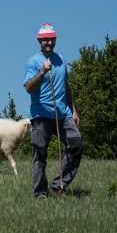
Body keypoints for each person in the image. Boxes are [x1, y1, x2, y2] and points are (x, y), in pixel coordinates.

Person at [23, 22, 83, 199]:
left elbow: (66, 86)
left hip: (63, 114)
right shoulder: (33, 62)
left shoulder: (61, 60)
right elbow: (28, 87)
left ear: (55, 40)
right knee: (40, 154)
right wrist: (42, 72)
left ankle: (57, 187)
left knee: (76, 145)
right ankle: (40, 193)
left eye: (51, 39)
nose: (48, 42)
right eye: (45, 40)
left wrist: (74, 110)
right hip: (41, 115)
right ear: (39, 40)